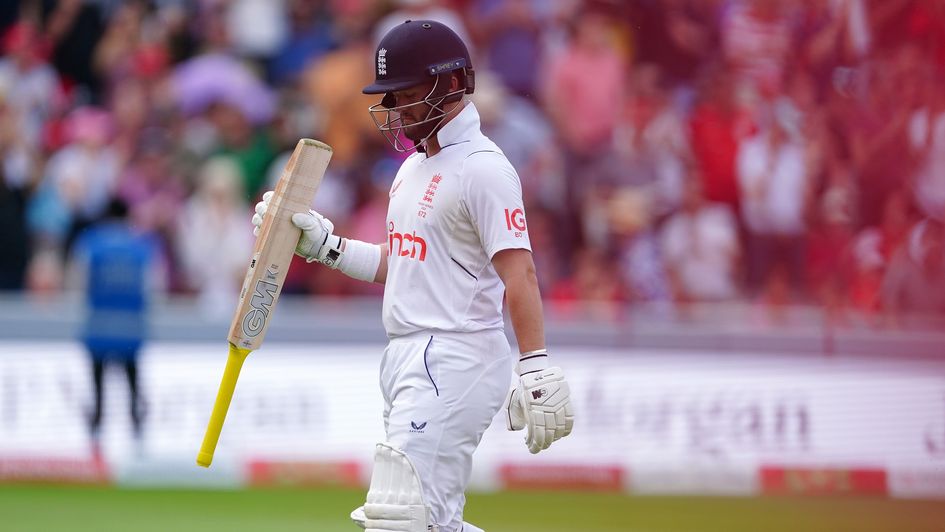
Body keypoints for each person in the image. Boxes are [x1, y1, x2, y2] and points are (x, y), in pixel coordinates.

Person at [252, 20, 574, 532]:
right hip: (406, 354)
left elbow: (521, 272)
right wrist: (326, 246)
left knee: (396, 518)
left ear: (449, 86)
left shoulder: (484, 169)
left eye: (404, 94)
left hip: (457, 353)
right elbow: (401, 261)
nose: (394, 109)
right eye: (390, 96)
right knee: (431, 521)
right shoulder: (412, 168)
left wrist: (534, 365)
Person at [70, 198, 161, 455]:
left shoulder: (91, 244)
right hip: (131, 326)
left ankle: (96, 440)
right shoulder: (141, 246)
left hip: (98, 324)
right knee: (133, 382)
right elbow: (152, 285)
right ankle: (138, 438)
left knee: (97, 384)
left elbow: (78, 282)